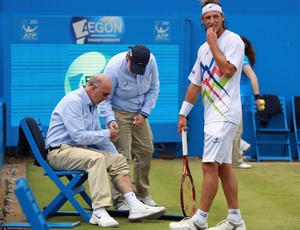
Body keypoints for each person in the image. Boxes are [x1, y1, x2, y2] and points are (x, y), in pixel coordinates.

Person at [45, 74, 165, 228]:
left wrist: (116, 158)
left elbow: (99, 139)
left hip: (76, 151)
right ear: (93, 88)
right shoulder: (73, 101)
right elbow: (79, 137)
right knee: (96, 159)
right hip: (58, 153)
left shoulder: (91, 104)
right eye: (105, 94)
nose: (106, 99)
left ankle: (135, 206)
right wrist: (108, 132)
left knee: (118, 159)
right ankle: (99, 211)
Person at [169, 0, 246, 229]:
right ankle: (235, 220)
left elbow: (228, 70)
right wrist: (183, 114)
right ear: (202, 20)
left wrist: (213, 44)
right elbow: (195, 83)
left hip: (225, 114)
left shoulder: (233, 41)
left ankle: (199, 220)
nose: (212, 21)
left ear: (223, 17)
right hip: (213, 116)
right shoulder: (202, 50)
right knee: (223, 167)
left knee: (208, 164)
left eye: (215, 16)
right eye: (207, 18)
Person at [99, 44, 160, 211]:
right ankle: (121, 199)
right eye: (133, 67)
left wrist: (144, 113)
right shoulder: (113, 67)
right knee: (122, 157)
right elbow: (105, 99)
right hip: (118, 112)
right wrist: (111, 120)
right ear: (128, 57)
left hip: (140, 112)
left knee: (146, 150)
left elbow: (154, 88)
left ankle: (142, 194)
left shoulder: (151, 61)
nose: (136, 71)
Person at [232, 35, 264, 169]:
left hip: (239, 97)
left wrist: (256, 98)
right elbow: (254, 78)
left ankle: (236, 157)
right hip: (236, 98)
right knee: (236, 130)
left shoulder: (240, 58)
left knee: (236, 129)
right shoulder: (240, 58)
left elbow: (253, 78)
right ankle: (236, 160)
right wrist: (257, 99)